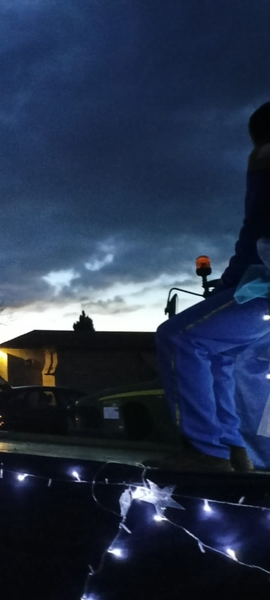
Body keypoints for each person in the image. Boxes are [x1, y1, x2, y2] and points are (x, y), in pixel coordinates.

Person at [155, 102, 270, 471]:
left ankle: (206, 451)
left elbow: (255, 232)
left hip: (264, 288)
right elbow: (254, 236)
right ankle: (235, 451)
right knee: (221, 355)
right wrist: (231, 281)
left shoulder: (265, 158)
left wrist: (236, 280)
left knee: (179, 337)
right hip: (255, 279)